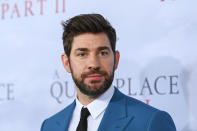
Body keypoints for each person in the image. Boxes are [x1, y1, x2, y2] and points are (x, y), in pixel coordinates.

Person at [41, 13, 176, 131]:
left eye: (103, 53)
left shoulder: (150, 122)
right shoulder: (49, 126)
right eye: (82, 54)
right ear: (66, 63)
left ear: (116, 60)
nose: (94, 64)